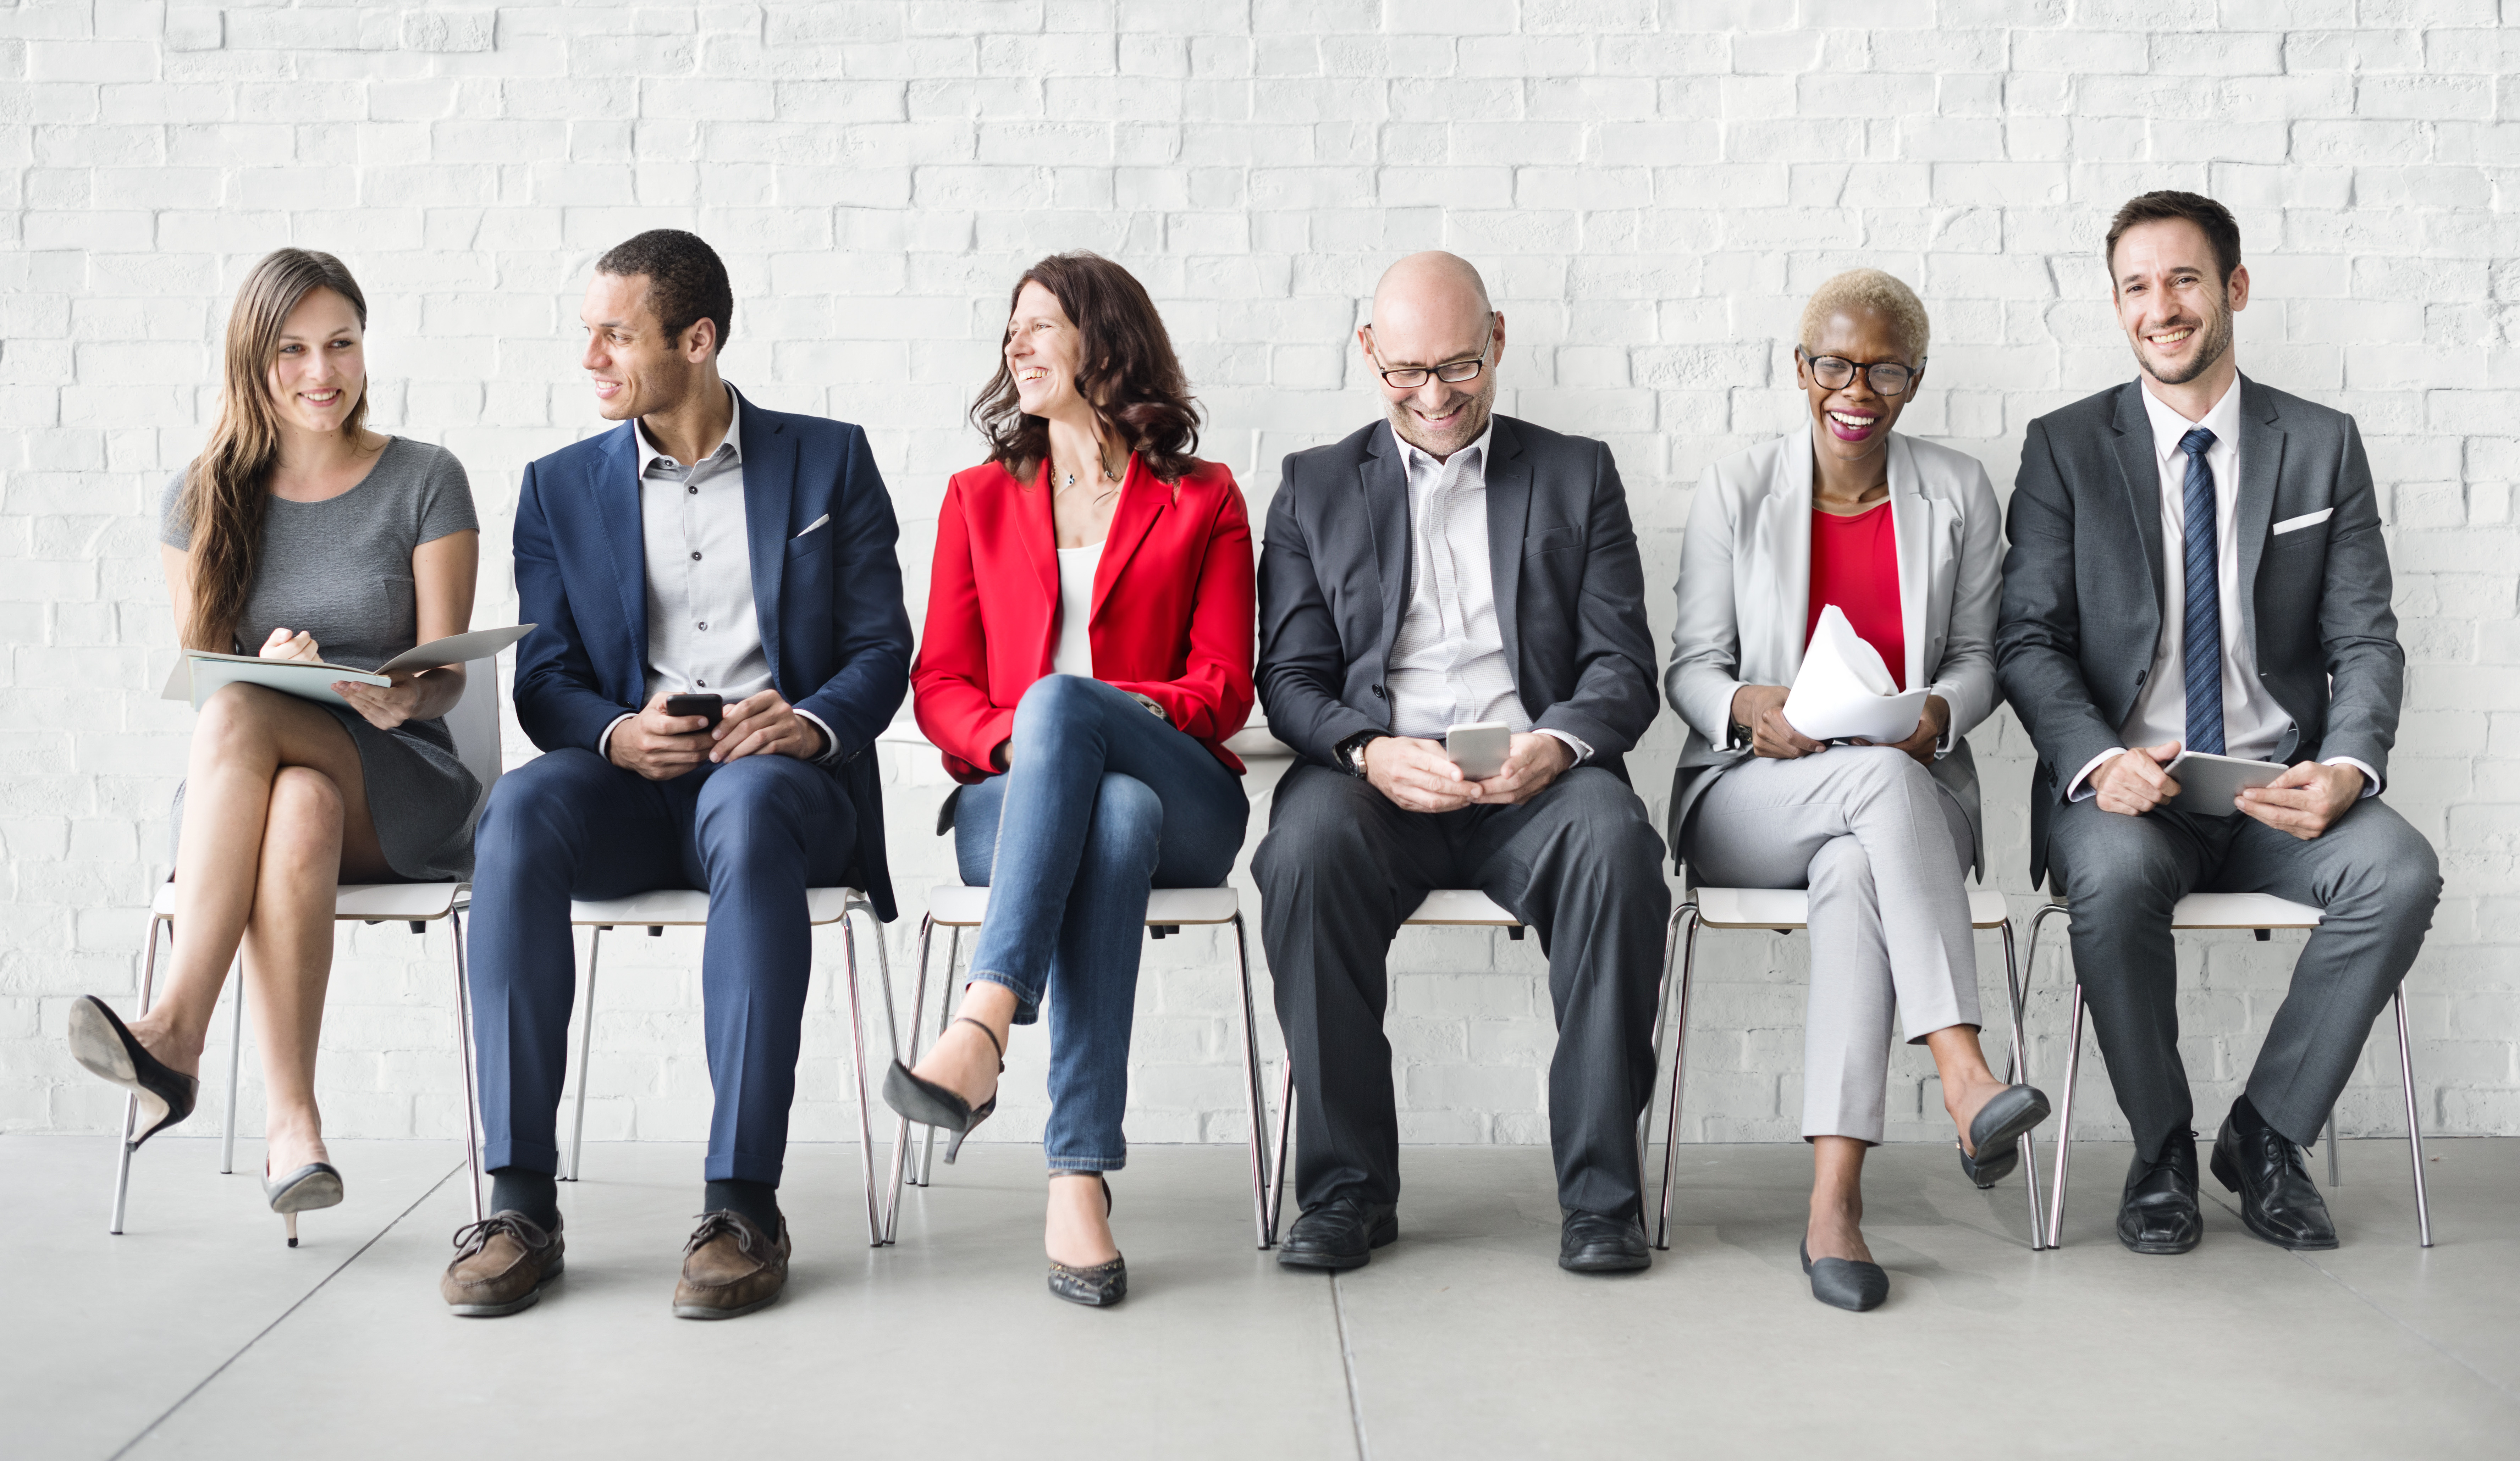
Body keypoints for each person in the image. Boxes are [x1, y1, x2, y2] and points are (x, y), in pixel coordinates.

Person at [441, 230, 911, 1319]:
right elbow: (546, 676)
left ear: (696, 341)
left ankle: (742, 1202)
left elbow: (883, 651)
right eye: (589, 333)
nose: (593, 357)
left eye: (618, 333)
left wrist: (809, 723)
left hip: (781, 788)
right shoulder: (556, 488)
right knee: (516, 808)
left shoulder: (829, 461)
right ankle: (518, 1203)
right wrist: (614, 734)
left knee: (746, 807)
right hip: (630, 786)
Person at [1996, 191, 2440, 1256]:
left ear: (2233, 290)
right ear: (2117, 307)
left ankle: (2266, 1135)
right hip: (2131, 798)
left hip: (2276, 786)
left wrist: (2347, 766)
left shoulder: (2321, 446)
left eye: (2185, 280)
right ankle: (2161, 1149)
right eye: (2139, 287)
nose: (2164, 308)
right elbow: (2028, 640)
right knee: (2105, 878)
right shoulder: (2064, 448)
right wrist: (2099, 762)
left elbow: (2367, 642)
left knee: (2400, 872)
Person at [1253, 251, 1669, 1275]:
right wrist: (1368, 749)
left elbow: (1624, 666)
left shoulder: (1579, 472)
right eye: (1405, 373)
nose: (1434, 397)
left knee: (1619, 849)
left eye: (1458, 367)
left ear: (1498, 339)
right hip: (1376, 775)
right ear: (1367, 354)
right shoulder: (1312, 486)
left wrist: (1556, 745)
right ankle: (1348, 1192)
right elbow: (1293, 679)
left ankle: (1602, 1199)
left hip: (1537, 771)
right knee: (1300, 853)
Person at [67, 249, 483, 1246]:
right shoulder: (202, 497)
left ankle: (173, 1033)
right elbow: (205, 679)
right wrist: (265, 661)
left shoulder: (425, 478)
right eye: (293, 349)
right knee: (293, 797)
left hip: (399, 780)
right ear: (253, 362)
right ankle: (294, 1130)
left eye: (341, 343)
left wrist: (397, 697)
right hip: (256, 794)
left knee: (253, 723)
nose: (321, 371)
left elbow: (449, 675)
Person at [1667, 269, 2051, 1311]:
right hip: (1754, 794)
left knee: (1853, 871)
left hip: (1897, 804)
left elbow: (1980, 656)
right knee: (1872, 791)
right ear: (1801, 370)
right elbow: (1688, 665)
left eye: (1885, 368)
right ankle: (1967, 1075)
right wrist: (1749, 705)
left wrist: (1944, 713)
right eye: (1834, 363)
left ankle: (1834, 1204)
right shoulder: (1741, 485)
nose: (1857, 387)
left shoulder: (1958, 491)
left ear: (1914, 381)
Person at [888, 253, 1255, 1308]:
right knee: (1108, 809)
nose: (1018, 344)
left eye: (1043, 324)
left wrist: (1089, 718)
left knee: (1079, 725)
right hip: (1016, 804)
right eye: (1012, 328)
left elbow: (1225, 685)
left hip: (1183, 788)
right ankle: (1077, 1176)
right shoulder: (977, 499)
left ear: (1108, 342)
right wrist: (1044, 748)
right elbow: (943, 685)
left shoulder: (1204, 498)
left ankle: (984, 1026)